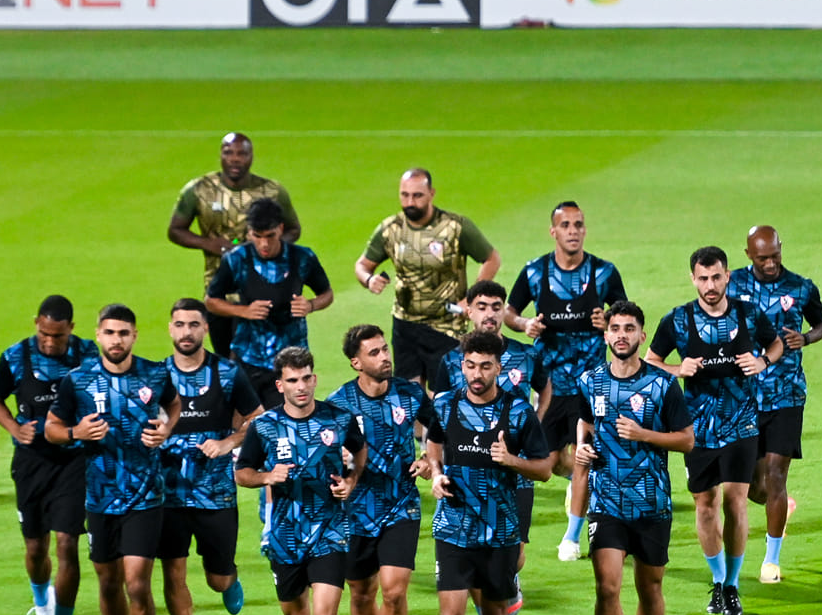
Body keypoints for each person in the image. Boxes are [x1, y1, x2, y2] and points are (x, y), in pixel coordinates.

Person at [46, 304, 179, 615]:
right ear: (98, 335)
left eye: (123, 332)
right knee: (108, 583)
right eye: (109, 332)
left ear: (134, 335)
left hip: (145, 495)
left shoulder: (155, 374)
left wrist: (165, 429)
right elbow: (51, 428)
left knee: (137, 583)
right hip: (100, 497)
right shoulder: (78, 380)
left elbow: (173, 405)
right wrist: (75, 432)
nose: (116, 340)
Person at [425, 331, 554, 615]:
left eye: (485, 366)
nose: (476, 374)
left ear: (499, 367)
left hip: (499, 531)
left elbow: (545, 469)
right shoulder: (445, 404)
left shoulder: (518, 412)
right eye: (470, 365)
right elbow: (433, 444)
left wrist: (511, 460)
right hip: (453, 527)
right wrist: (436, 473)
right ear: (461, 366)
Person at [235, 347, 363, 615]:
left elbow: (359, 452)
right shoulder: (265, 427)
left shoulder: (339, 418)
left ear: (314, 378)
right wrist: (267, 477)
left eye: (306, 377)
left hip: (331, 531)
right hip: (285, 537)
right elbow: (242, 473)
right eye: (292, 380)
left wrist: (350, 482)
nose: (301, 386)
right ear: (280, 385)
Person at [649, 247, 782, 615]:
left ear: (728, 277)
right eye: (703, 278)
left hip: (742, 423)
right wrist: (679, 369)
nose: (710, 285)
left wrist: (762, 361)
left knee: (736, 502)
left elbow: (776, 343)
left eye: (716, 277)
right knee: (705, 505)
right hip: (698, 429)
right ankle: (719, 579)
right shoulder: (678, 320)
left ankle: (732, 586)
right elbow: (651, 361)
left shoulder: (748, 314)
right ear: (693, 279)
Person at [574, 305, 694, 615]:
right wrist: (583, 447)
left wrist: (644, 434)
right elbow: (585, 424)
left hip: (651, 503)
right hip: (606, 501)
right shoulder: (590, 381)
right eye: (615, 328)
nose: (621, 335)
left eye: (629, 328)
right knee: (606, 587)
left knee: (650, 587)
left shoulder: (663, 385)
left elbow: (687, 440)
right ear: (605, 335)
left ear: (642, 336)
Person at [507, 201, 627, 562]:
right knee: (549, 462)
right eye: (565, 225)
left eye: (578, 224)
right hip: (549, 386)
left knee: (584, 459)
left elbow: (626, 316)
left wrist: (609, 322)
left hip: (590, 386)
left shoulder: (603, 273)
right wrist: (525, 324)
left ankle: (572, 538)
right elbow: (510, 312)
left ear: (584, 230)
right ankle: (580, 488)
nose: (573, 231)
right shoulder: (535, 272)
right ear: (553, 231)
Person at [157, 298, 262, 615]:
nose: (186, 332)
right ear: (170, 329)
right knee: (173, 572)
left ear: (205, 328)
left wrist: (229, 442)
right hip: (168, 493)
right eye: (179, 324)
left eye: (193, 325)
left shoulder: (228, 374)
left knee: (217, 580)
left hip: (215, 494)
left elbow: (258, 418)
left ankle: (229, 580)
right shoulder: (156, 375)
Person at [0, 295, 96, 615]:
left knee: (67, 543)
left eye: (58, 336)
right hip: (32, 462)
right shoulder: (15, 357)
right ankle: (42, 603)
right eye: (44, 334)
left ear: (71, 329)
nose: (50, 342)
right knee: (36, 548)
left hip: (73, 460)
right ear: (36, 323)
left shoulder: (87, 354)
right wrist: (13, 428)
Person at [327, 324, 430, 615]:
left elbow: (442, 430)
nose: (385, 357)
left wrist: (429, 459)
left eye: (385, 349)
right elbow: (322, 453)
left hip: (401, 504)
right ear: (356, 363)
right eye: (374, 352)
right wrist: (338, 464)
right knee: (360, 594)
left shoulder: (410, 393)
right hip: (355, 512)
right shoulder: (338, 405)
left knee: (395, 591)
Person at [435, 280, 543, 615]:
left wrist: (534, 430)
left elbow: (546, 389)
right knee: (470, 549)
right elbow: (438, 416)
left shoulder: (525, 355)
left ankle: (505, 587)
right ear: (469, 310)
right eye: (482, 306)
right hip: (467, 471)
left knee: (516, 555)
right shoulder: (450, 361)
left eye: (497, 307)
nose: (490, 314)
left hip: (515, 470)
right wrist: (437, 464)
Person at [729, 226, 822, 584]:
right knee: (749, 485)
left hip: (787, 394)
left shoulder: (801, 287)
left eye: (775, 256)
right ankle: (783, 506)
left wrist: (806, 338)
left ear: (781, 249)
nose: (770, 264)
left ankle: (771, 561)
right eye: (762, 259)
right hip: (743, 395)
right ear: (748, 255)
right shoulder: (731, 284)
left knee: (775, 475)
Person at [354, 168, 500, 386]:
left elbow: (491, 259)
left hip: (445, 325)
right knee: (408, 395)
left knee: (444, 394)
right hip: (405, 324)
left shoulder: (455, 227)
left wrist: (471, 299)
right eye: (404, 195)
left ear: (432, 193)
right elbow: (362, 265)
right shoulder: (390, 229)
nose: (410, 202)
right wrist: (369, 279)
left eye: (417, 195)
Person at [169, 132, 301, 355]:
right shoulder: (199, 190)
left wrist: (263, 247)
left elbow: (293, 229)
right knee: (225, 359)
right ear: (221, 155)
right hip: (218, 294)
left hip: (262, 292)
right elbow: (175, 230)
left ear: (251, 156)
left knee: (258, 359)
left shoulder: (272, 191)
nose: (235, 159)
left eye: (241, 153)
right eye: (228, 153)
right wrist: (208, 243)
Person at [204, 196, 334, 408]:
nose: (264, 244)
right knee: (243, 420)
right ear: (249, 232)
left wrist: (310, 305)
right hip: (248, 357)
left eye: (270, 236)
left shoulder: (302, 258)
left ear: (280, 229)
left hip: (291, 362)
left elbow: (327, 294)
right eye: (257, 236)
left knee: (288, 419)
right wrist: (244, 311)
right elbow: (211, 301)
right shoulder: (237, 259)